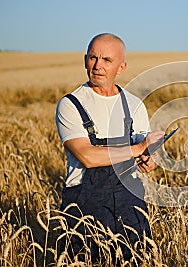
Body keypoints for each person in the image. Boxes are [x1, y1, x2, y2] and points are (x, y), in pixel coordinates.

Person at [55, 33, 164, 264]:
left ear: (121, 67)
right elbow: (87, 157)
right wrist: (138, 149)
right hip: (84, 203)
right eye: (93, 58)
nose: (97, 66)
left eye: (106, 60)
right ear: (85, 60)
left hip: (130, 199)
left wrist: (149, 159)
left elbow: (147, 158)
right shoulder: (71, 104)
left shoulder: (134, 104)